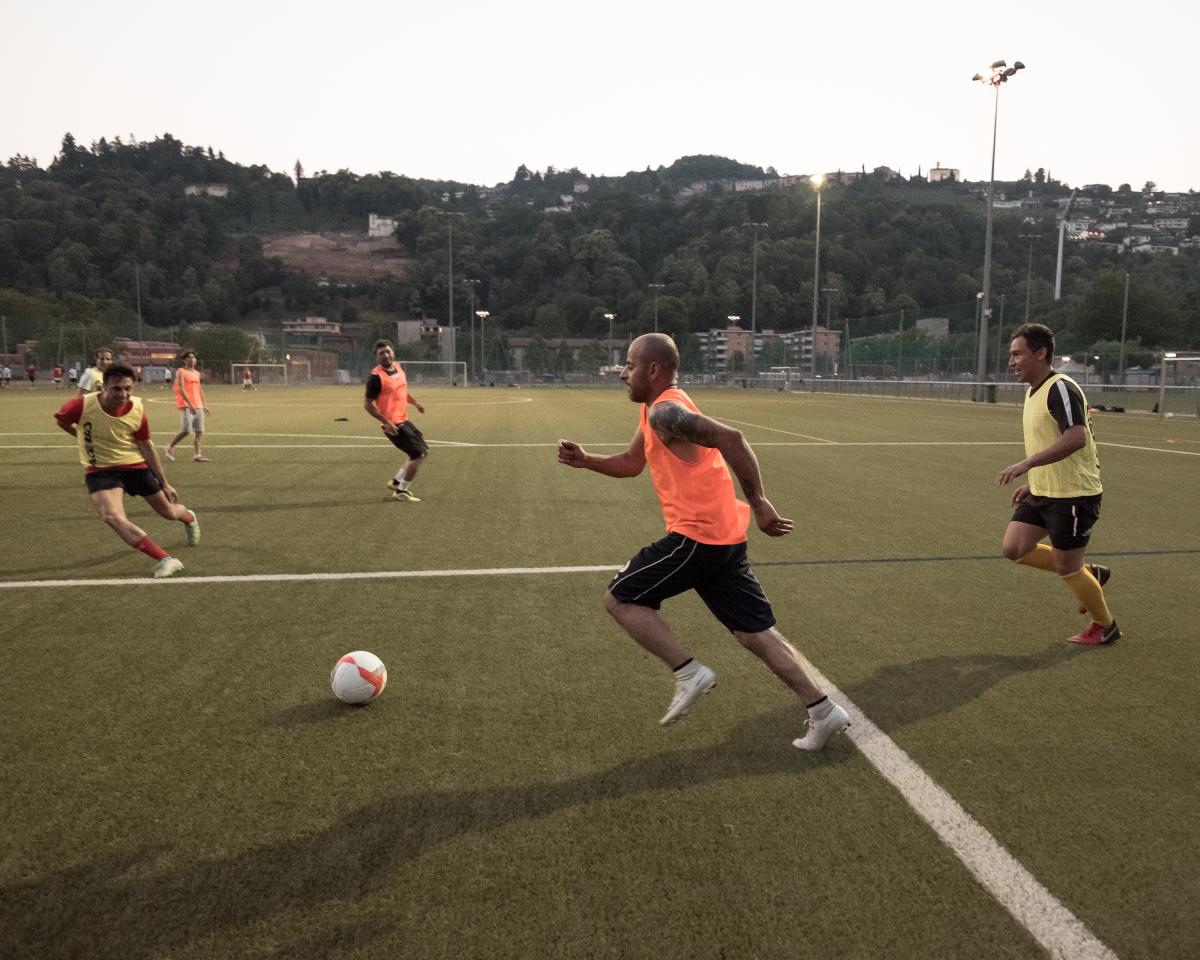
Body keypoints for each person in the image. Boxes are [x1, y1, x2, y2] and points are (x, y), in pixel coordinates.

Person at [557, 333, 850, 751]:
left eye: (629, 364)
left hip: (697, 536)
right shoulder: (654, 412)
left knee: (620, 599)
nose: (623, 373)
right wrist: (586, 461)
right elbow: (631, 464)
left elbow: (731, 438)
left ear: (653, 369)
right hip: (723, 537)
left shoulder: (666, 412)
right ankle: (822, 710)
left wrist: (760, 501)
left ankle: (688, 672)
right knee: (754, 633)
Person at [996, 322, 1118, 646]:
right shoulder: (1032, 391)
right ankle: (1089, 574)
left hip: (1074, 494)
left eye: (1017, 354)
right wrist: (1034, 482)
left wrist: (1026, 465)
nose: (1011, 362)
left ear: (1040, 353)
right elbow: (1047, 441)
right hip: (1044, 492)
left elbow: (1075, 437)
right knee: (1014, 548)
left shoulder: (1060, 387)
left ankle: (1105, 626)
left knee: (1067, 566)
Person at [54, 363, 199, 579]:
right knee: (111, 516)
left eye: (128, 389)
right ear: (104, 386)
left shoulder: (137, 409)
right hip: (100, 470)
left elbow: (146, 446)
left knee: (168, 512)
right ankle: (166, 559)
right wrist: (81, 436)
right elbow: (61, 420)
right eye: (117, 389)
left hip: (134, 466)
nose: (123, 394)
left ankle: (188, 517)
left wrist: (164, 482)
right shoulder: (82, 405)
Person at [364, 340, 428, 502]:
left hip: (403, 420)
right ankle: (401, 491)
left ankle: (396, 481)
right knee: (418, 454)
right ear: (376, 357)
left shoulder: (398, 367)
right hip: (393, 425)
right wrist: (386, 422)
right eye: (381, 353)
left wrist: (415, 403)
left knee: (422, 451)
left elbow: (403, 391)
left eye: (387, 351)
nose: (386, 355)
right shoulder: (376, 377)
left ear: (392, 352)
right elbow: (367, 405)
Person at [165, 350, 210, 462]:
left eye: (194, 357)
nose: (192, 359)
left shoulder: (197, 373)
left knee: (199, 431)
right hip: (186, 405)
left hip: (198, 404)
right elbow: (180, 388)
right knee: (186, 430)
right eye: (189, 357)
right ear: (184, 360)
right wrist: (189, 405)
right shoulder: (181, 371)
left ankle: (197, 455)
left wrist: (204, 405)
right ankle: (169, 447)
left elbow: (199, 389)